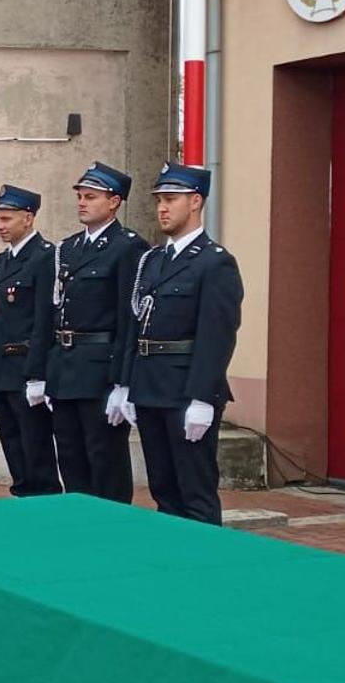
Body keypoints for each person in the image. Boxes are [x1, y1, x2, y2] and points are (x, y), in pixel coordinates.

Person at [122, 162, 243, 525]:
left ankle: (206, 568)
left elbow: (217, 335)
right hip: (150, 386)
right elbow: (137, 323)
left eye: (170, 199)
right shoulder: (153, 260)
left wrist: (202, 398)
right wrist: (128, 383)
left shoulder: (214, 262)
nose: (161, 207)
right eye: (159, 199)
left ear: (195, 202)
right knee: (164, 488)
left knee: (195, 490)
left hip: (185, 388)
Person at [25, 162, 150, 503]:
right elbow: (51, 315)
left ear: (114, 202)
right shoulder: (68, 248)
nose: (82, 202)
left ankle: (112, 533)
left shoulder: (128, 247)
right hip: (65, 368)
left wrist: (123, 384)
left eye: (91, 197)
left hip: (100, 371)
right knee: (69, 455)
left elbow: (129, 319)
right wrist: (41, 372)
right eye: (80, 196)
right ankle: (79, 527)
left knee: (104, 460)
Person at [0, 187, 63, 497]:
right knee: (13, 445)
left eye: (6, 218)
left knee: (36, 450)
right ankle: (21, 499)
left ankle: (44, 507)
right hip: (3, 368)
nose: (0, 226)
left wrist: (37, 375)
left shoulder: (45, 257)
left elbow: (44, 318)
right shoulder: (0, 263)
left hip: (27, 366)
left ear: (28, 218)